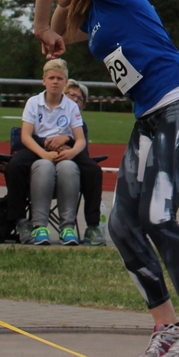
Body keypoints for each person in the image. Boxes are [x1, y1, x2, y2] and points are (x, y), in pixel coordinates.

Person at [33, 0, 179, 357]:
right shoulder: (93, 16)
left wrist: (40, 25)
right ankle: (166, 326)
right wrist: (55, 22)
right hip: (150, 117)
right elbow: (65, 24)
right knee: (120, 225)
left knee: (157, 216)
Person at [7, 59, 85, 246]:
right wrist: (44, 154)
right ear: (44, 81)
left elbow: (81, 139)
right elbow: (26, 136)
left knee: (81, 170)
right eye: (51, 78)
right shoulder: (33, 102)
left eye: (59, 78)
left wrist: (71, 153)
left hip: (63, 150)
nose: (55, 81)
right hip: (38, 148)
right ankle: (26, 223)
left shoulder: (72, 106)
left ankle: (76, 227)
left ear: (65, 82)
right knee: (14, 167)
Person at [64, 79, 106, 246]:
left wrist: (69, 145)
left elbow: (83, 153)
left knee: (93, 171)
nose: (75, 100)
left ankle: (92, 226)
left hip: (73, 158)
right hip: (47, 157)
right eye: (71, 95)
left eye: (80, 98)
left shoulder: (81, 125)